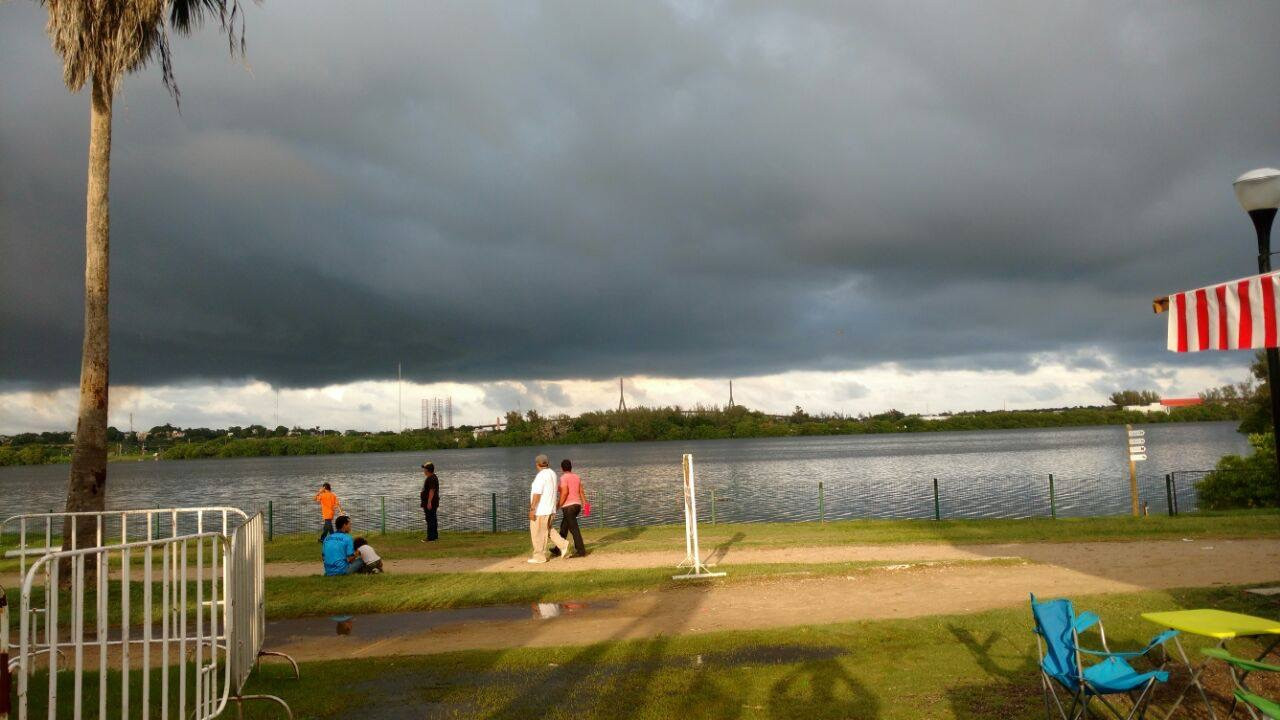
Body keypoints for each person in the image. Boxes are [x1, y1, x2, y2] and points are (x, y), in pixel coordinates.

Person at [527, 454, 569, 563]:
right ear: (547, 463)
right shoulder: (552, 474)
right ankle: (563, 545)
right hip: (551, 509)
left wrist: (532, 509)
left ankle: (539, 556)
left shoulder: (540, 476)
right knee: (547, 530)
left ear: (537, 464)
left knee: (537, 533)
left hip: (541, 510)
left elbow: (537, 494)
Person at [557, 459, 588, 557]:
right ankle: (557, 548)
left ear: (562, 468)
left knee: (574, 529)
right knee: (564, 527)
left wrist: (558, 505)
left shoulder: (563, 478)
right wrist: (586, 506)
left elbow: (564, 492)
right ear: (571, 467)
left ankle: (581, 551)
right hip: (577, 506)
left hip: (568, 507)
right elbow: (581, 492)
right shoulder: (576, 477)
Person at [419, 461, 440, 542]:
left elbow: (432, 490)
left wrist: (429, 502)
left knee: (430, 519)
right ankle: (434, 536)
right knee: (432, 519)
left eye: (424, 469)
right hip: (432, 502)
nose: (423, 471)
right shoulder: (432, 477)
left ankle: (430, 537)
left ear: (428, 470)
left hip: (430, 503)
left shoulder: (431, 478)